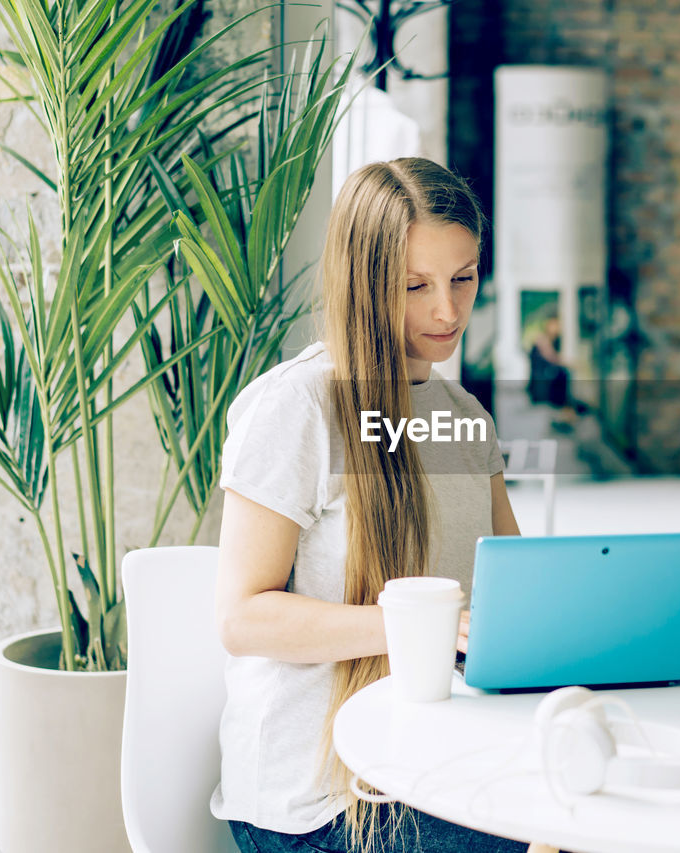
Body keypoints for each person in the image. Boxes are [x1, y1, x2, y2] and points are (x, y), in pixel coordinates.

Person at [210, 157, 528, 853]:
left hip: (429, 759)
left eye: (464, 278)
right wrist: (421, 626)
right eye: (414, 286)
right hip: (316, 804)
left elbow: (514, 585)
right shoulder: (294, 408)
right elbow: (243, 616)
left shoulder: (463, 416)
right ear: (364, 283)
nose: (447, 311)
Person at [527, 314, 578, 429]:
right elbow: (553, 358)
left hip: (546, 379)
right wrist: (572, 363)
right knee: (564, 375)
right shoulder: (542, 339)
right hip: (541, 383)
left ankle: (567, 413)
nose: (557, 328)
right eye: (555, 324)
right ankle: (567, 413)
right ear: (548, 324)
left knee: (565, 375)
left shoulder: (554, 341)